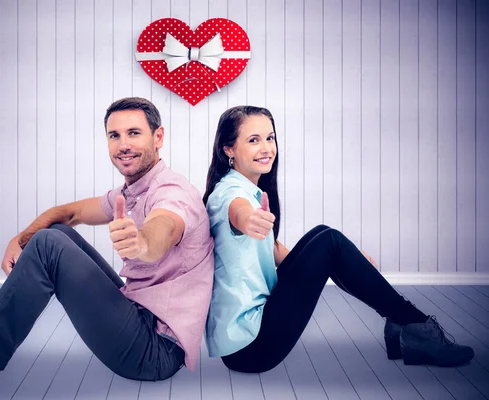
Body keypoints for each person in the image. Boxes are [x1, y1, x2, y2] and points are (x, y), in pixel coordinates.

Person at [0, 97, 214, 389]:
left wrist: (142, 242)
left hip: (155, 352)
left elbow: (165, 228)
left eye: (134, 133)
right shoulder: (134, 190)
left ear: (158, 137)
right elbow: (70, 213)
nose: (124, 145)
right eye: (114, 135)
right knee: (57, 233)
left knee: (49, 244)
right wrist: (20, 238)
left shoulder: (172, 192)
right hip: (139, 318)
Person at [203, 105, 474, 373]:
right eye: (253, 140)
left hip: (249, 337)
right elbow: (237, 212)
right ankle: (415, 326)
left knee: (323, 235)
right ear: (228, 149)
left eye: (270, 138)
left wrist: (350, 262)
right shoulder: (229, 194)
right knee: (329, 241)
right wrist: (247, 219)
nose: (266, 148)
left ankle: (402, 325)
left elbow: (271, 248)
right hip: (251, 346)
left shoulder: (249, 188)